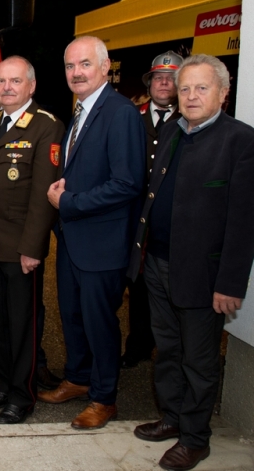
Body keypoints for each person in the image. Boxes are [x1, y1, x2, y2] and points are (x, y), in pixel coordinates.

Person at [128, 54, 254, 471]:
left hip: (203, 275)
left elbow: (243, 221)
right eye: (185, 88)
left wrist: (230, 284)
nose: (192, 95)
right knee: (167, 351)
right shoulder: (173, 134)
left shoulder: (241, 140)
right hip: (158, 264)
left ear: (223, 92)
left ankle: (196, 439)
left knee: (199, 361)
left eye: (202, 88)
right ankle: (172, 418)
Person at [42, 36, 146, 429]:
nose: (76, 73)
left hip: (101, 243)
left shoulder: (119, 113)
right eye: (70, 66)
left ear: (105, 67)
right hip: (73, 240)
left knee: (99, 320)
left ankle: (104, 398)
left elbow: (127, 183)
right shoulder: (82, 111)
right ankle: (79, 378)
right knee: (72, 315)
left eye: (85, 64)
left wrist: (68, 203)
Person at [0, 56, 64, 423]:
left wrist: (32, 248)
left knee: (22, 325)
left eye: (14, 81)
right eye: (1, 81)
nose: (6, 88)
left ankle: (23, 396)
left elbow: (43, 196)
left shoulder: (46, 126)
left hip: (18, 248)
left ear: (31, 85)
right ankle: (5, 381)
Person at [122, 51, 183, 370]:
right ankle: (138, 346)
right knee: (138, 286)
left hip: (171, 220)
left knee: (171, 287)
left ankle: (170, 350)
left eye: (171, 78)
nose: (164, 83)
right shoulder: (134, 116)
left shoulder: (189, 121)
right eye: (159, 77)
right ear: (150, 83)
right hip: (136, 219)